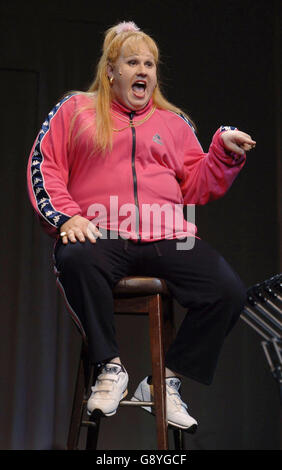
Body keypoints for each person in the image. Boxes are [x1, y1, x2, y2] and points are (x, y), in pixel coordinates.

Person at [27, 20, 256, 432]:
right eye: (133, 62)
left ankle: (164, 383)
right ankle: (109, 368)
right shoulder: (75, 110)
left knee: (227, 291)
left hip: (167, 234)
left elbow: (198, 184)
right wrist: (66, 216)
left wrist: (222, 151)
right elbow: (46, 166)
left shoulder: (174, 122)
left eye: (150, 64)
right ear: (111, 69)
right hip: (103, 230)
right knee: (75, 256)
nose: (144, 71)